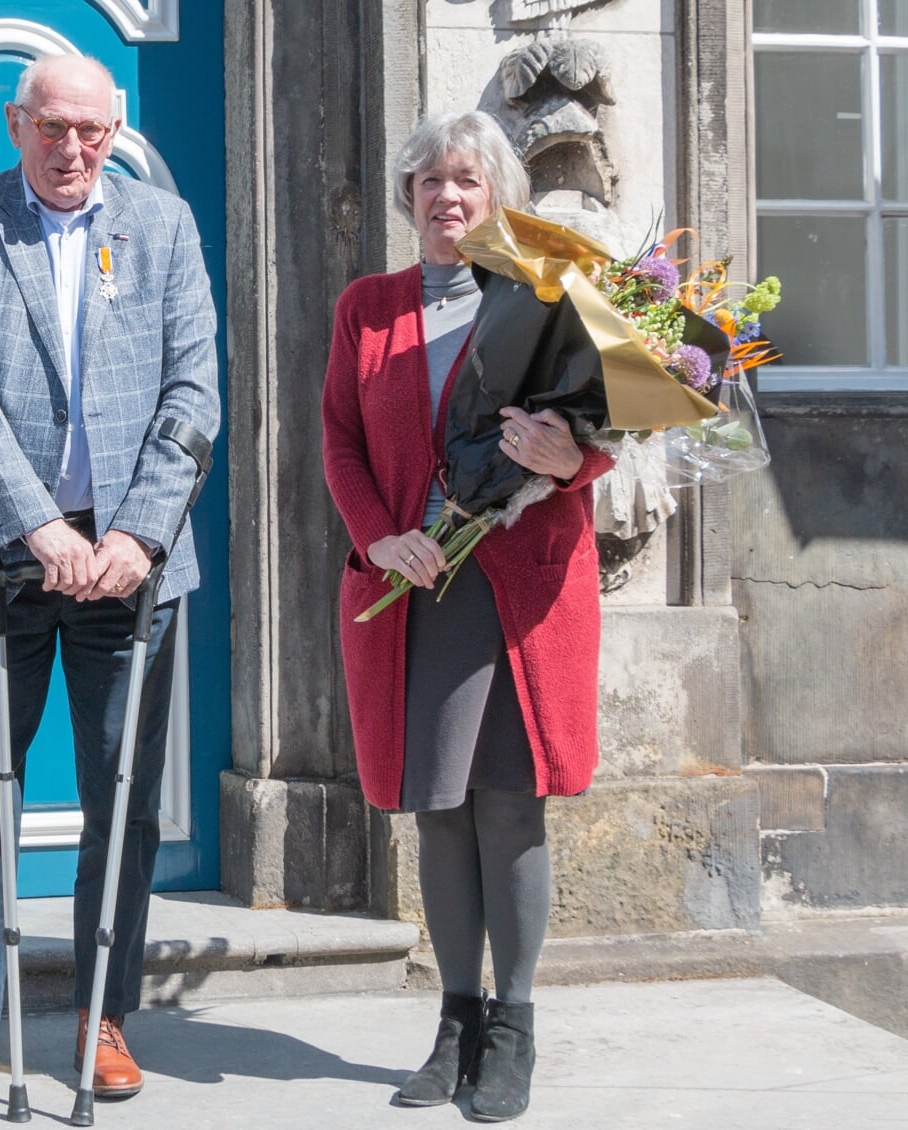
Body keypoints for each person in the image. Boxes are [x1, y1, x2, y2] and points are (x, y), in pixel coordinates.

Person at [0, 53, 220, 1103]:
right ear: (16, 124)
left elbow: (193, 390)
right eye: (54, 129)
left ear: (117, 126)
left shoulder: (165, 228)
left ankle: (105, 1015)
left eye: (92, 130)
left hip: (133, 560)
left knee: (120, 797)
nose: (74, 149)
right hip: (3, 554)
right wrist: (37, 523)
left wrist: (137, 533)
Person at [320, 111, 614, 1123]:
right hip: (424, 586)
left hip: (522, 585)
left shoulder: (544, 294)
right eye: (428, 183)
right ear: (409, 200)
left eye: (465, 182)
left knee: (510, 798)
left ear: (497, 197)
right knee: (440, 804)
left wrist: (569, 459)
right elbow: (342, 441)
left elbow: (601, 426)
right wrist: (379, 538)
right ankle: (455, 1021)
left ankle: (516, 1024)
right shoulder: (368, 308)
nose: (446, 198)